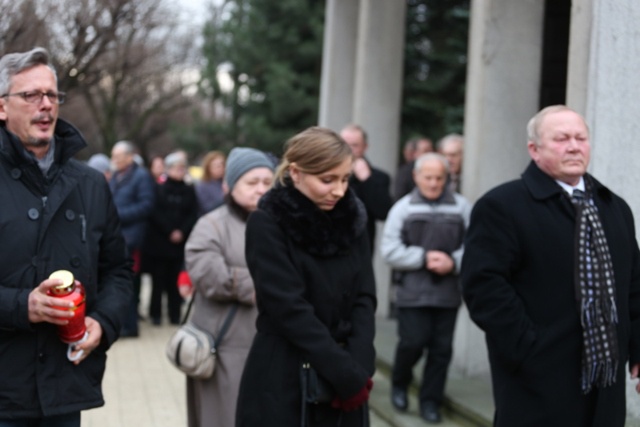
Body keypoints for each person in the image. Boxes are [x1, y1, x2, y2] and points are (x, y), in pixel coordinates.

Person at [461, 105, 640, 427]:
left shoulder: (614, 208)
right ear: (534, 149)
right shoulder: (502, 206)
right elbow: (483, 288)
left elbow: (634, 285)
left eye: (580, 138)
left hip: (606, 386)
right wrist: (530, 349)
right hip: (537, 385)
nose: (574, 146)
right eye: (561, 139)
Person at [0, 47, 131, 425]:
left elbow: (119, 270)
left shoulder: (90, 183)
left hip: (63, 390)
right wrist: (22, 306)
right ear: (3, 107)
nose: (46, 105)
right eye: (31, 95)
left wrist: (103, 323)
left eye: (52, 95)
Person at [236, 127, 377, 427]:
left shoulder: (352, 216)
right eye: (327, 180)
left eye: (345, 179)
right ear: (296, 173)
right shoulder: (267, 223)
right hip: (285, 378)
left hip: (348, 375)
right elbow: (287, 308)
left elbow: (365, 294)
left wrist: (361, 363)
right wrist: (342, 371)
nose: (339, 191)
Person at [184, 147, 275, 427]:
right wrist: (266, 284)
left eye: (267, 182)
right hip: (224, 349)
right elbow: (207, 273)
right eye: (251, 182)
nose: (260, 189)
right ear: (230, 185)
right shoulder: (211, 225)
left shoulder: (280, 225)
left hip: (271, 346)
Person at [381, 153, 471, 423]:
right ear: (416, 177)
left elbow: (478, 246)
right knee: (412, 343)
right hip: (412, 293)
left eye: (439, 178)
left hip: (448, 293)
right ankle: (400, 382)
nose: (433, 183)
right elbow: (389, 250)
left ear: (447, 179)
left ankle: (430, 402)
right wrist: (423, 257)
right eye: (428, 177)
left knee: (441, 351)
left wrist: (452, 261)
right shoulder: (403, 208)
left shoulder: (463, 207)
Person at [142, 152, 198, 325]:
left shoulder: (189, 190)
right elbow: (154, 212)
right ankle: (156, 314)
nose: (179, 171)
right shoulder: (159, 188)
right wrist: (170, 230)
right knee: (157, 282)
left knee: (175, 281)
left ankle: (175, 315)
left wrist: (181, 231)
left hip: (179, 244)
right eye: (176, 168)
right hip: (160, 242)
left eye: (182, 168)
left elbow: (192, 213)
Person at [109, 139, 155, 337]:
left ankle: (130, 326)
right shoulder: (116, 176)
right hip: (117, 236)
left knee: (128, 282)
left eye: (118, 157)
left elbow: (146, 205)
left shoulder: (141, 176)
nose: (115, 160)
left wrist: (118, 214)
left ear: (129, 157)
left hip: (132, 239)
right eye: (113, 157)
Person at [340, 124, 393, 255]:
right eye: (343, 144)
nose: (348, 149)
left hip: (361, 247)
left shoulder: (378, 177)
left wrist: (366, 180)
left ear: (365, 147)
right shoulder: (325, 174)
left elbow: (383, 212)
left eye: (354, 145)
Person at [194, 150, 226, 216]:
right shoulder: (202, 186)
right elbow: (206, 208)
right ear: (208, 168)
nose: (220, 168)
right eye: (216, 166)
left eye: (222, 164)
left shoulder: (227, 182)